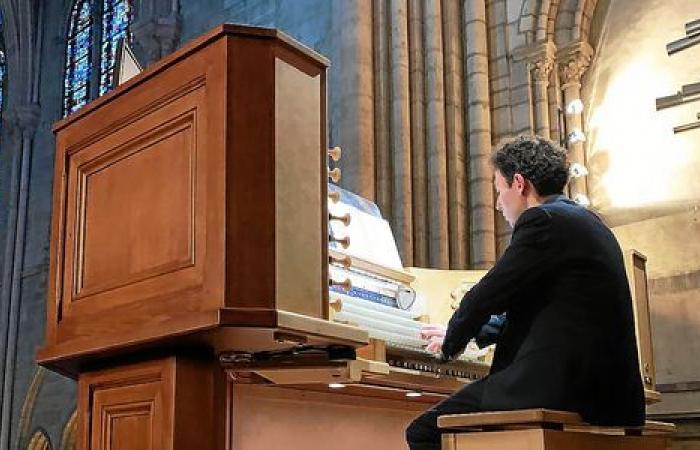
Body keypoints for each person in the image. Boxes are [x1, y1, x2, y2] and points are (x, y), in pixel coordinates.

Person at [406, 136, 645, 450]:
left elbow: (487, 293)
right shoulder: (585, 222)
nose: (497, 203)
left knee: (423, 432)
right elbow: (533, 307)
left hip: (563, 388)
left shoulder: (543, 220)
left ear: (518, 183)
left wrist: (450, 344)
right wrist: (476, 333)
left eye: (498, 190)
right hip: (610, 394)